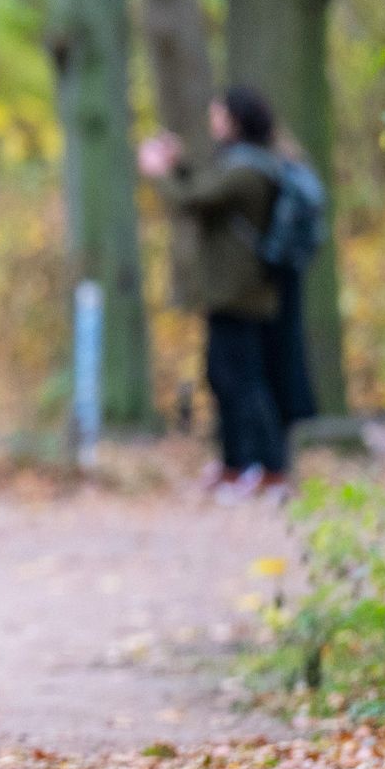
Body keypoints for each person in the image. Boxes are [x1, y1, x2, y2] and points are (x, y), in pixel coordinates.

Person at [138, 88, 317, 502]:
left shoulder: (249, 170)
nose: (212, 123)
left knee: (245, 382)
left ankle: (270, 469)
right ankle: (238, 465)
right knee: (223, 377)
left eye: (218, 115)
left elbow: (194, 200)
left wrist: (158, 172)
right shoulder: (245, 165)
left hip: (244, 294)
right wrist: (179, 164)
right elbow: (206, 193)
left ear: (236, 120)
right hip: (231, 293)